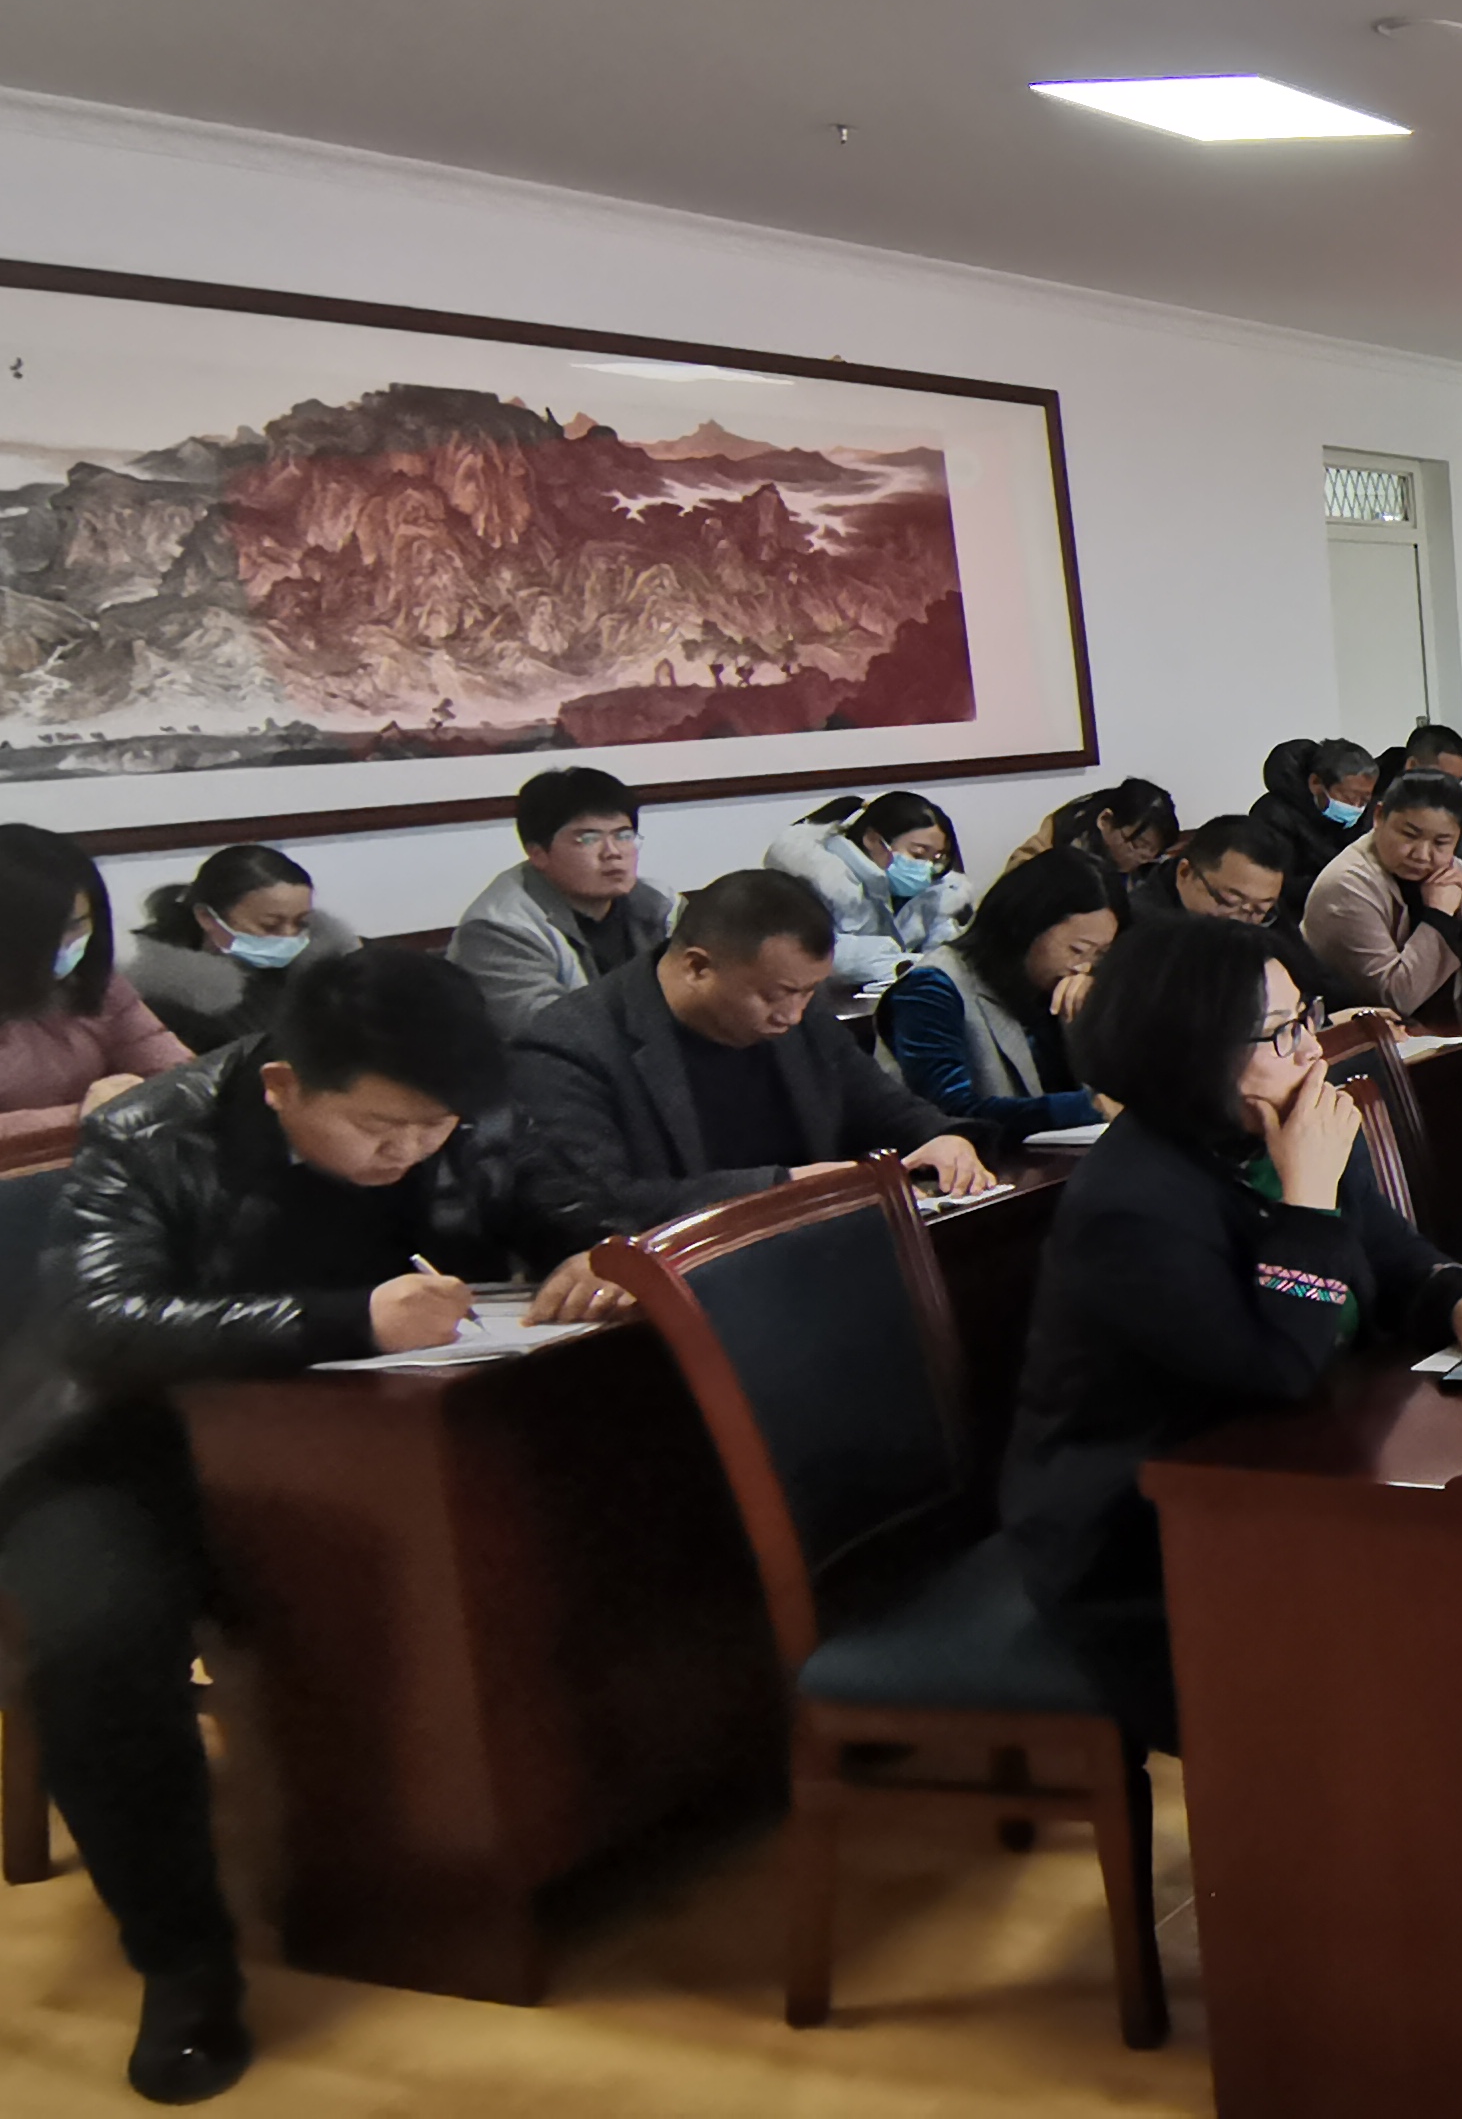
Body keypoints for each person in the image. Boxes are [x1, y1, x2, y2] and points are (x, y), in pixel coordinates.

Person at [983, 916, 1462, 1970]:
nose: (1309, 1051)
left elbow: (1395, 1253)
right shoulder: (1132, 1204)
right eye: (1279, 1033)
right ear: (1192, 1050)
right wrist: (1311, 1196)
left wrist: (1459, 1299)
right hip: (1145, 1547)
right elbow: (1275, 1363)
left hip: (1301, 1475)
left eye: (1306, 1020)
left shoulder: (1275, 1134)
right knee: (1428, 1636)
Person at [0, 946, 625, 2103]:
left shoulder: (457, 1108)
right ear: (285, 1084)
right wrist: (347, 1318)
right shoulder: (152, 1130)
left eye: (436, 1128)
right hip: (126, 1446)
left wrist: (592, 1248)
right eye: (381, 1129)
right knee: (98, 1645)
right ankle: (184, 1965)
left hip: (365, 1445)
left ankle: (546, 1846)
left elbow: (559, 1203)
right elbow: (100, 1323)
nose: (412, 1152)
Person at [511, 870, 998, 1234]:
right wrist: (782, 1187)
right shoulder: (572, 1043)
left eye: (809, 992)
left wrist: (942, 1139)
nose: (792, 1014)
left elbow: (881, 1106)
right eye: (775, 995)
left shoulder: (799, 1012)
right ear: (697, 968)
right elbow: (591, 1204)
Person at [879, 847, 1117, 1135]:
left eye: (1100, 954)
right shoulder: (931, 988)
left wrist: (1096, 1013)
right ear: (1026, 928)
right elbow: (950, 1113)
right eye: (1077, 950)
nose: (1083, 966)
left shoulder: (1066, 985)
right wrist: (1091, 1106)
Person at [0, 827, 194, 1149]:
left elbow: (174, 1073)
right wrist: (85, 1115)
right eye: (44, 932)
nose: (64, 943)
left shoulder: (95, 983)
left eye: (76, 924)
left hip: (98, 1163)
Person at [450, 767, 676, 1033]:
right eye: (588, 839)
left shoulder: (661, 904)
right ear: (538, 854)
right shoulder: (497, 930)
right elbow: (550, 1030)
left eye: (623, 835)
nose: (613, 852)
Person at [1297, 770, 1462, 1015]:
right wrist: (1439, 918)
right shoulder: (1346, 885)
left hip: (1451, 1022)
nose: (1422, 855)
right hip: (1368, 1032)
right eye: (1409, 835)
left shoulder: (1452, 871)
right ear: (1379, 816)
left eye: (1441, 842)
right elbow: (1396, 998)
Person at [125, 844, 363, 1057]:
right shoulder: (162, 998)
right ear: (207, 917)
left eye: (301, 923)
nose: (289, 936)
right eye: (270, 925)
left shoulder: (327, 970)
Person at [1126, 815, 1349, 1005]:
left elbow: (1311, 975)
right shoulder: (1138, 927)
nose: (1241, 920)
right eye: (1228, 901)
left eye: (1260, 909)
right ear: (1185, 873)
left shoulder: (1262, 912)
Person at [765, 790, 972, 987]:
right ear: (873, 840)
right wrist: (904, 963)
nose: (928, 867)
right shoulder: (821, 878)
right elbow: (821, 953)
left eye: (936, 858)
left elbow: (949, 950)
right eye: (917, 854)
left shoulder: (938, 889)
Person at [1244, 737, 1378, 917]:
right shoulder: (1273, 814)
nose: (1356, 807)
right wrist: (1345, 884)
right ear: (1315, 783)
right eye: (1349, 797)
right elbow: (1277, 882)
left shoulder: (1369, 813)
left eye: (1364, 799)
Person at [1010, 779, 1183, 895]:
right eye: (1138, 845)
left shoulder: (1151, 869)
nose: (1144, 857)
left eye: (1153, 852)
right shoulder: (1055, 841)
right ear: (1105, 820)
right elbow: (1016, 887)